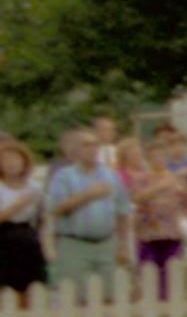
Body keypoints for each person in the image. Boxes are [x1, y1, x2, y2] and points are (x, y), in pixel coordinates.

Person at [45, 128, 124, 291]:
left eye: (95, 145)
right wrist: (88, 195)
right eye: (86, 145)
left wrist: (124, 245)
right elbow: (56, 209)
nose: (92, 149)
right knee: (73, 293)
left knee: (110, 294)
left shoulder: (111, 175)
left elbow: (123, 212)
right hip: (75, 244)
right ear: (75, 150)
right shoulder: (63, 176)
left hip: (107, 243)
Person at [125, 139, 187, 298]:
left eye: (161, 156)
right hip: (148, 232)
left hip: (172, 232)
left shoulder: (178, 179)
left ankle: (169, 305)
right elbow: (136, 198)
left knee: (172, 272)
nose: (158, 160)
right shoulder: (141, 179)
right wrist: (159, 187)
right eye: (154, 157)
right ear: (148, 159)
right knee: (149, 272)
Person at [0, 138, 46, 306]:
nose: (11, 164)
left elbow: (44, 217)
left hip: (26, 236)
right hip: (3, 236)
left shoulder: (34, 187)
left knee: (28, 290)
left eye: (15, 159)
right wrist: (17, 205)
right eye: (6, 159)